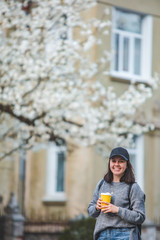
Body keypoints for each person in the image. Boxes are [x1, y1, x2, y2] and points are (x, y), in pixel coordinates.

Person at [88, 147, 145, 240]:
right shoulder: (101, 184)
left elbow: (140, 217)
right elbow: (91, 211)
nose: (116, 164)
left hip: (125, 234)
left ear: (127, 165)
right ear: (109, 163)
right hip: (103, 234)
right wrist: (97, 207)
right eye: (113, 161)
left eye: (121, 161)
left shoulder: (133, 187)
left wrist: (117, 210)